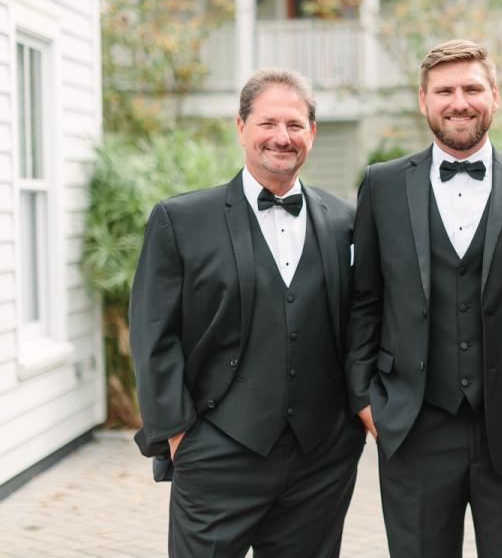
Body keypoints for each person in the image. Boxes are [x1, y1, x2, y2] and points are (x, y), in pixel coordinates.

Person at [345, 39, 502, 558]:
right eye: (445, 91)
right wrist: (366, 401)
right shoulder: (381, 186)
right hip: (414, 424)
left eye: (472, 88)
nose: (460, 102)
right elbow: (363, 301)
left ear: (494, 96)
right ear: (423, 100)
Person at [129, 68, 365, 557]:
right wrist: (178, 437)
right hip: (216, 451)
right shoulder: (181, 220)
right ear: (241, 128)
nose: (282, 137)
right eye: (267, 123)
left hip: (320, 461)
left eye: (296, 125)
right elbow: (153, 335)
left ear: (312, 133)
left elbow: (372, 319)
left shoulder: (347, 222)